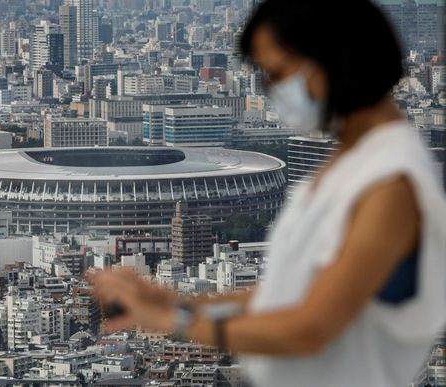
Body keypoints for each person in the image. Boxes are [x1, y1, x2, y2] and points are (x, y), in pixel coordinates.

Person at [91, 1, 446, 386]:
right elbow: (294, 292)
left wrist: (175, 321)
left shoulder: (392, 182)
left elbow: (312, 327)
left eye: (279, 72)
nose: (274, 90)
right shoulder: (353, 160)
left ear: (331, 59)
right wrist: (178, 304)